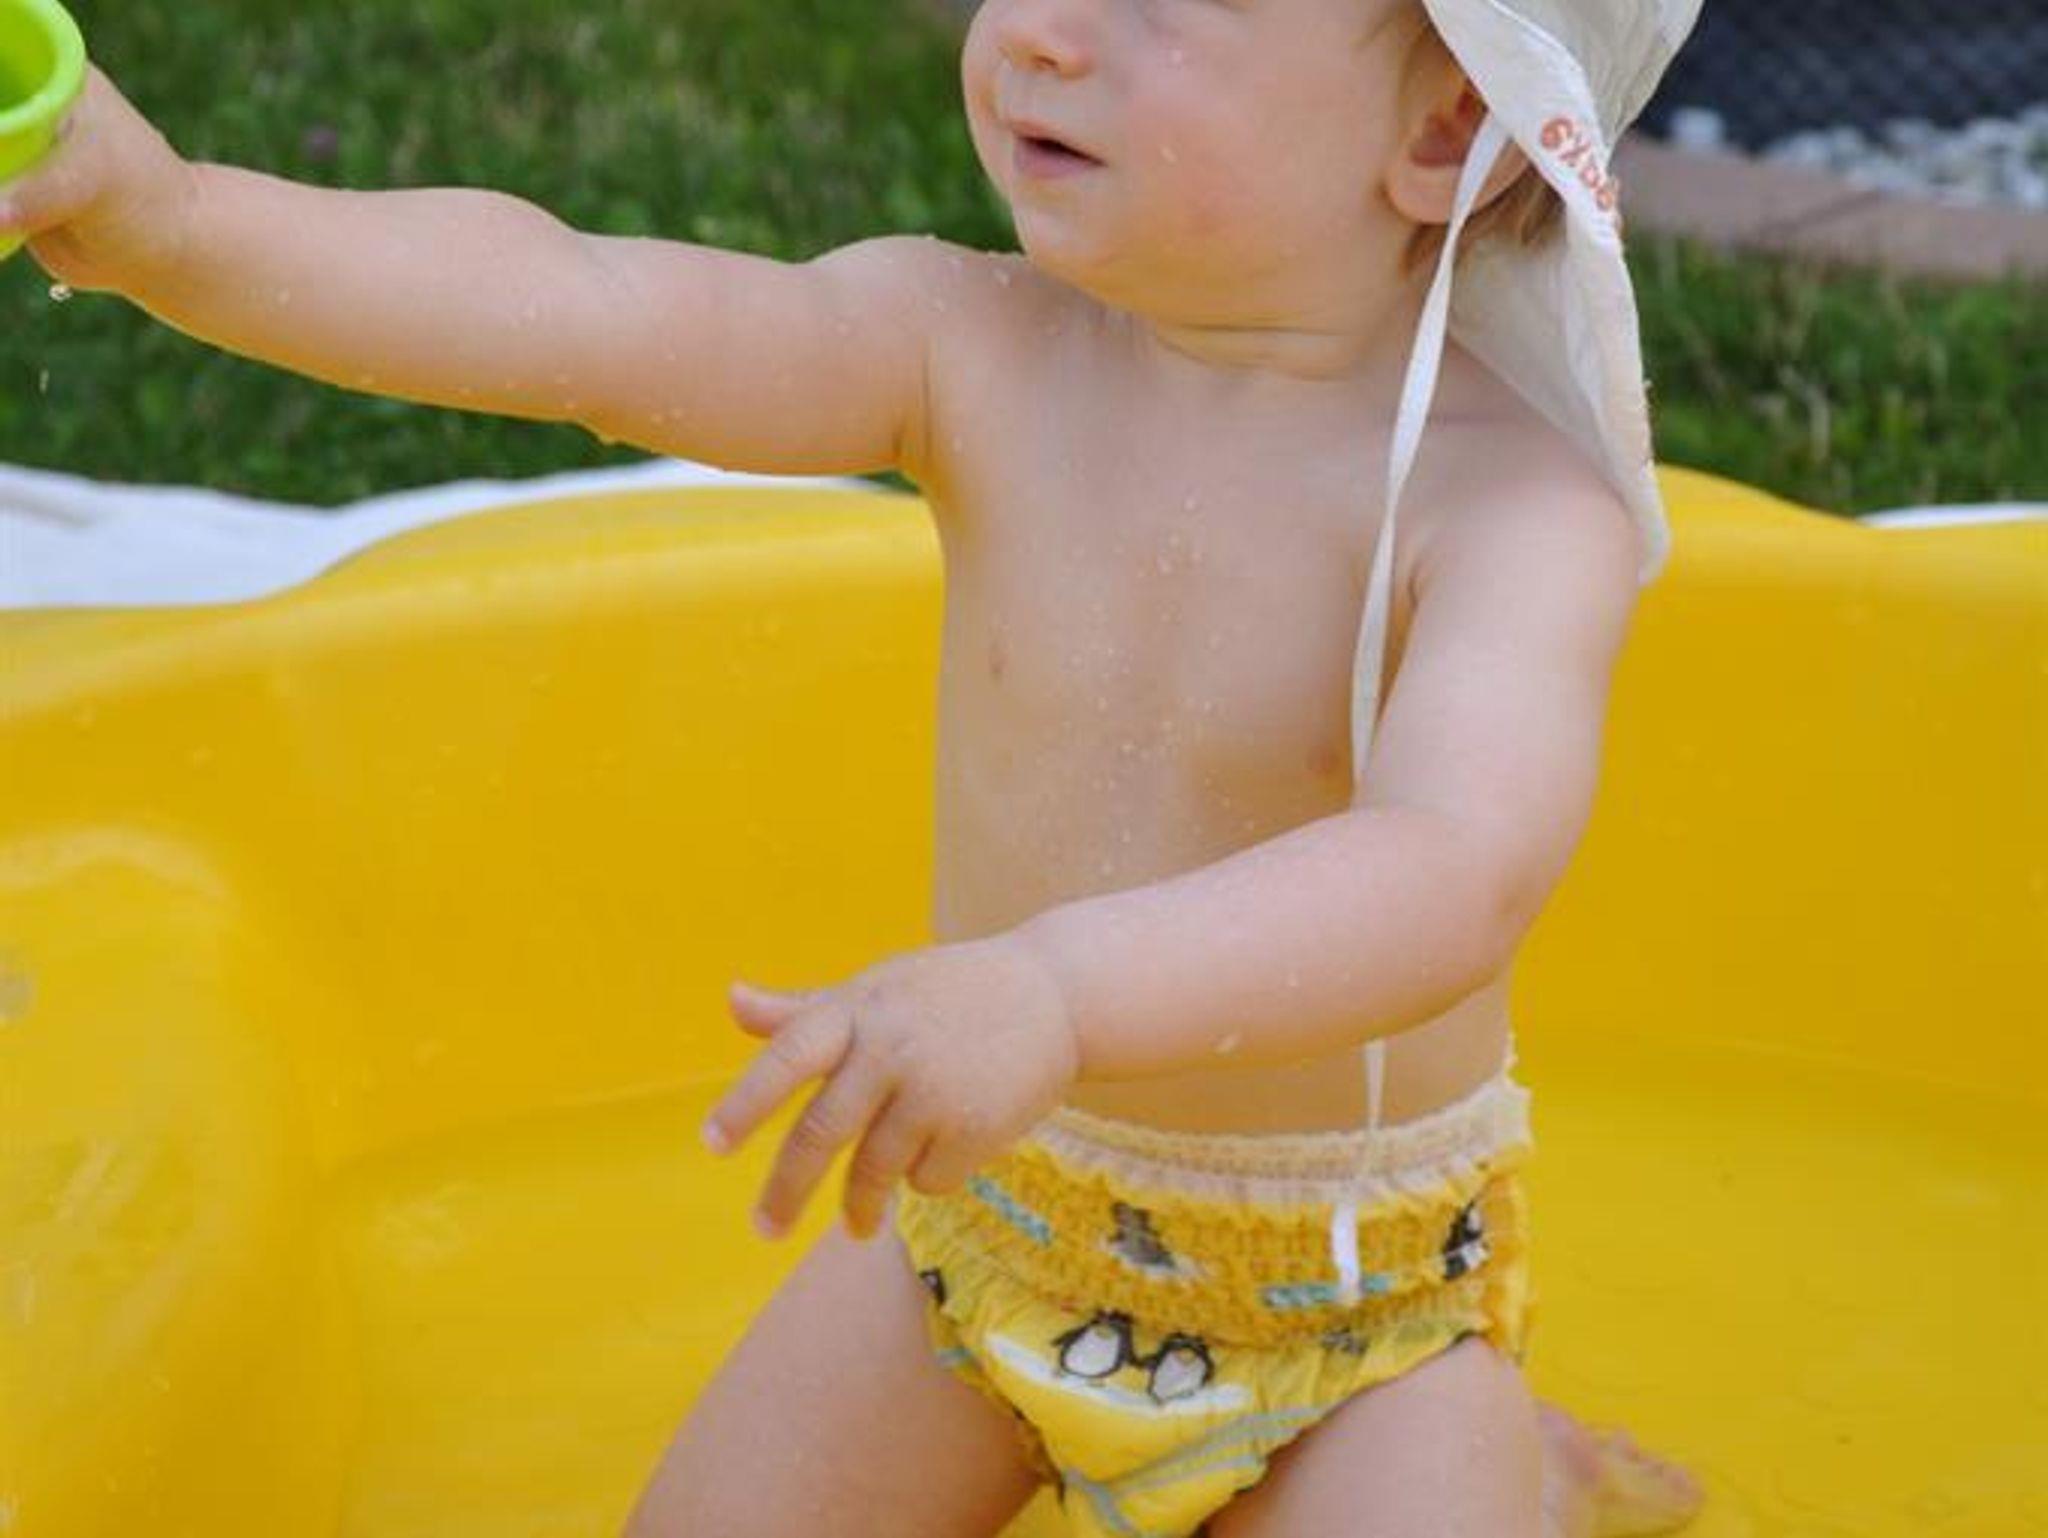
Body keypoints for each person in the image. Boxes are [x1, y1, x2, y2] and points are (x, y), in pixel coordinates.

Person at [1, 1, 1711, 1532]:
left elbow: (1453, 862)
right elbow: (584, 307)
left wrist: (1056, 991)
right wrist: (174, 220)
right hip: (990, 1222)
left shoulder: (1510, 511)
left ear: (1445, 129)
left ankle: (1513, 1470)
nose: (1038, 31)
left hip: (1357, 1315)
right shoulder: (965, 347)